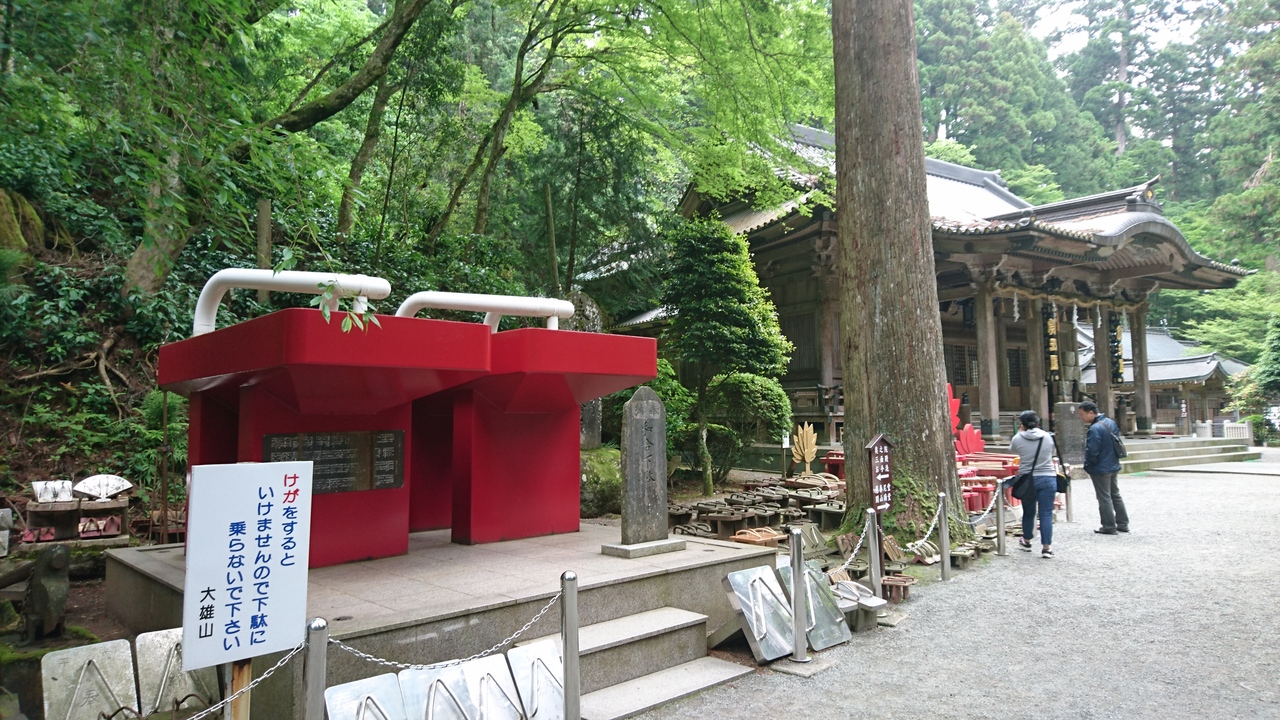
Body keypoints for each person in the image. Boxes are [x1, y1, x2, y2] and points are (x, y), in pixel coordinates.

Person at [1008, 410, 1058, 558]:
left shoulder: (1018, 438)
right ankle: (1046, 547)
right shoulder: (1048, 437)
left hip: (1028, 479)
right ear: (1037, 423)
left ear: (1022, 424)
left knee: (1029, 511)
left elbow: (1012, 451)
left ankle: (1027, 540)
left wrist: (1020, 433)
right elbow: (1052, 452)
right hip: (1048, 477)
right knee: (1046, 513)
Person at [1077, 400, 1129, 535]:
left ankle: (1108, 525)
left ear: (1091, 413)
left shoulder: (1094, 429)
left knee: (1104, 497)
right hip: (1113, 463)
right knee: (1115, 494)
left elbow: (1092, 450)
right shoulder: (1110, 422)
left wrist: (1089, 465)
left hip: (1100, 467)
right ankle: (1123, 523)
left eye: (1082, 414)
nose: (1080, 417)